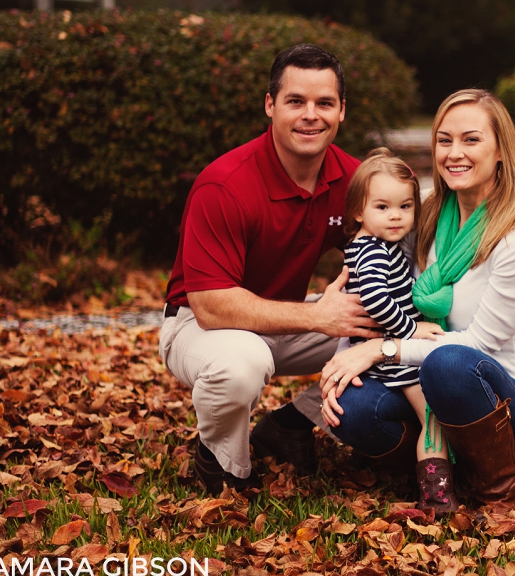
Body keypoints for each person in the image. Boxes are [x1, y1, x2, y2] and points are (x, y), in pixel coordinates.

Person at [315, 89, 515, 513]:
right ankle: (436, 472)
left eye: (471, 139)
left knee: (451, 363)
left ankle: (495, 492)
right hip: (423, 382)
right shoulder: (422, 216)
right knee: (353, 407)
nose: (454, 153)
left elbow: (478, 347)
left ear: (501, 151)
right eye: (444, 140)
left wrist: (382, 349)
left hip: (504, 406)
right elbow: (373, 291)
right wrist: (342, 361)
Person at [158, 44, 380, 494]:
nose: (310, 115)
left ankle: (291, 423)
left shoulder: (355, 181)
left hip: (288, 321)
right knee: (243, 362)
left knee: (394, 333)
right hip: (198, 328)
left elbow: (408, 247)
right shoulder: (225, 184)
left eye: (324, 103)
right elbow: (211, 306)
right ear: (270, 105)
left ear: (342, 112)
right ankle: (222, 465)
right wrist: (320, 316)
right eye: (295, 101)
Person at [332, 147, 461, 515]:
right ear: (358, 211)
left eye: (405, 207)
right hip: (392, 357)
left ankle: (377, 461)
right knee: (432, 416)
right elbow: (374, 297)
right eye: (383, 207)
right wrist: (410, 331)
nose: (396, 216)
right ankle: (437, 497)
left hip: (384, 352)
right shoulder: (373, 250)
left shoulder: (377, 243)